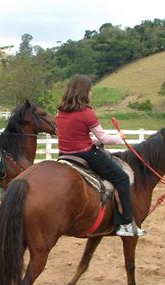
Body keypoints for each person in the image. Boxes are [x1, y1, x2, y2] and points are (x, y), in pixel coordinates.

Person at [56, 74, 146, 237]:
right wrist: (120, 137)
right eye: (90, 91)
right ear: (84, 92)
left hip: (65, 155)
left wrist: (93, 142)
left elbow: (75, 137)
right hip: (86, 155)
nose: (91, 94)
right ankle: (125, 224)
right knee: (122, 178)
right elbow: (104, 138)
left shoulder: (61, 112)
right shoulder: (86, 113)